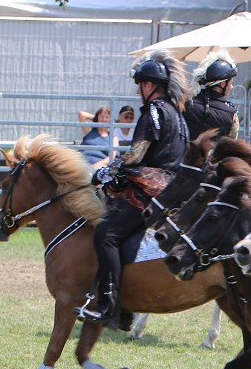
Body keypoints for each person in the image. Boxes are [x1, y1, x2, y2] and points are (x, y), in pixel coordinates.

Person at [76, 50, 189, 329]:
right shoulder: (175, 112)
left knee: (106, 234)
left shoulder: (153, 112)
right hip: (172, 189)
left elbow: (136, 154)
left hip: (151, 192)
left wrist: (104, 172)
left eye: (140, 85)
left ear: (149, 86)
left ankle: (111, 308)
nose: (139, 91)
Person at [183, 49, 238, 140]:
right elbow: (231, 144)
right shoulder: (231, 113)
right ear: (222, 84)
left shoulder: (187, 104)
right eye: (230, 83)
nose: (231, 87)